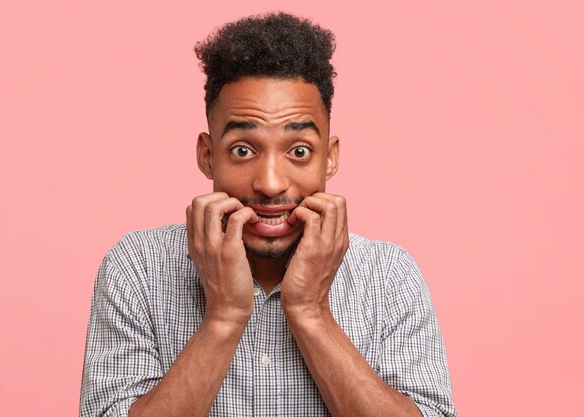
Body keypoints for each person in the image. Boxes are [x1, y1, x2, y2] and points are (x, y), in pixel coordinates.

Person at [79, 12, 457, 417]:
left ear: (329, 159)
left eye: (299, 151)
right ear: (208, 157)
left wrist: (311, 313)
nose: (272, 183)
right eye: (243, 149)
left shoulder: (389, 275)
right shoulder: (136, 268)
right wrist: (224, 316)